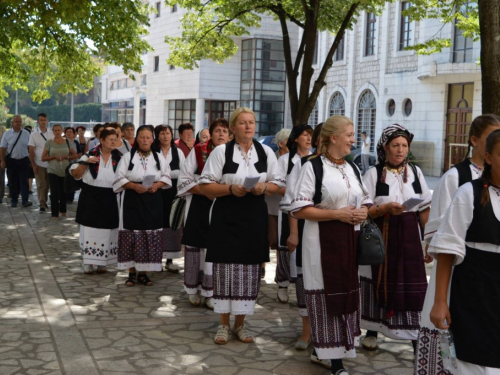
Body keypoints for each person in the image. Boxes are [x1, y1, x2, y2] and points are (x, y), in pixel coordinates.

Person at [414, 114, 500, 375]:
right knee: (474, 363)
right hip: (473, 290)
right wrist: (441, 300)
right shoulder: (467, 190)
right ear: (488, 157)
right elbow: (447, 249)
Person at [290, 115, 371, 375]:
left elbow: (365, 200)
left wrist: (364, 212)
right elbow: (300, 208)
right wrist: (337, 214)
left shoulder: (352, 168)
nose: (353, 139)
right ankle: (334, 360)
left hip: (350, 242)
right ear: (333, 137)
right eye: (349, 134)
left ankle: (332, 351)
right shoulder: (312, 167)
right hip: (322, 244)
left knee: (347, 293)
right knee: (327, 295)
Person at [198, 108, 279, 345]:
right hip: (226, 215)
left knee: (249, 271)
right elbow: (205, 185)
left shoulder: (265, 152)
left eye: (251, 122)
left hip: (254, 217)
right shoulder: (221, 152)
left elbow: (280, 184)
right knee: (225, 268)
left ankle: (240, 324)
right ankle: (223, 324)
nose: (248, 127)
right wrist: (230, 189)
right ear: (233, 127)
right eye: (243, 123)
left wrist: (264, 187)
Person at [359, 124, 432, 353]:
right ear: (385, 148)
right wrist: (384, 209)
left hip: (410, 235)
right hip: (383, 233)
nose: (401, 150)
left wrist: (428, 241)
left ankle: (413, 334)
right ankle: (372, 330)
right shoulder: (373, 174)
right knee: (380, 279)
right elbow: (365, 209)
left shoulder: (416, 174)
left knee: (411, 283)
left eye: (404, 146)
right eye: (395, 145)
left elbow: (424, 209)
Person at [178, 118, 230, 308]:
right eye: (218, 131)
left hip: (224, 202)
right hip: (199, 201)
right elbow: (184, 177)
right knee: (196, 245)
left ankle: (212, 291)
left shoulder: (233, 152)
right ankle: (193, 288)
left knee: (216, 246)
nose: (221, 134)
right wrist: (206, 191)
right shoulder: (199, 150)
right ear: (211, 133)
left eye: (225, 131)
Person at [281, 123, 324, 354]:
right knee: (305, 280)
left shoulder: (347, 167)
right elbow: (292, 201)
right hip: (308, 229)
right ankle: (307, 330)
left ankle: (327, 331)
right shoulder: (303, 164)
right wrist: (294, 233)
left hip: (335, 235)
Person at [113, 125, 171, 287]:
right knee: (131, 234)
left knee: (149, 234)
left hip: (153, 200)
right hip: (132, 199)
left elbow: (167, 177)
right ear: (136, 139)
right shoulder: (127, 157)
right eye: (142, 137)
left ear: (153, 139)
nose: (145, 140)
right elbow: (119, 178)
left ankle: (144, 273)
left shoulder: (159, 157)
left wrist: (157, 185)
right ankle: (131, 273)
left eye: (148, 137)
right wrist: (132, 186)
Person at [70, 128, 123, 274]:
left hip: (111, 198)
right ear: (101, 140)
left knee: (108, 232)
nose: (113, 142)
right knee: (89, 231)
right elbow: (75, 175)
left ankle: (103, 263)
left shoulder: (120, 158)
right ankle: (88, 263)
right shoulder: (90, 155)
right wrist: (85, 163)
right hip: (91, 198)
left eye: (115, 139)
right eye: (110, 139)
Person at [273, 125, 313, 304]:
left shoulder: (314, 159)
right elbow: (278, 185)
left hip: (309, 211)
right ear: (296, 138)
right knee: (287, 245)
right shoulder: (285, 160)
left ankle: (302, 286)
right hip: (289, 209)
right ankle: (282, 284)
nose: (309, 138)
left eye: (311, 135)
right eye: (305, 135)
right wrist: (295, 193)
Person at [153, 125, 186, 272]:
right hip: (157, 191)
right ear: (157, 136)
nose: (166, 136)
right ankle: (155, 259)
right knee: (157, 222)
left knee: (172, 222)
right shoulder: (153, 152)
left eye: (168, 133)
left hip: (173, 191)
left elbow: (184, 172)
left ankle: (170, 260)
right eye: (162, 133)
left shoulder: (178, 152)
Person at [264, 128, 291, 278]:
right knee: (270, 238)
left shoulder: (297, 160)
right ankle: (261, 265)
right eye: (288, 140)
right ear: (281, 143)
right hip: (271, 205)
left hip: (287, 208)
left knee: (283, 242)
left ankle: (281, 274)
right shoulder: (272, 159)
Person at [41, 124, 78, 219]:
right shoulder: (49, 142)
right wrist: (53, 157)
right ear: (53, 132)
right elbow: (43, 158)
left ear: (62, 131)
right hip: (52, 170)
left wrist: (67, 157)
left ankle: (63, 210)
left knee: (63, 191)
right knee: (54, 192)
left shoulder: (67, 141)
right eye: (55, 130)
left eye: (59, 130)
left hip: (64, 170)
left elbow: (75, 155)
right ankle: (54, 214)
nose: (57, 132)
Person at [0, 115, 32, 208]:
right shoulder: (7, 134)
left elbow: (30, 147)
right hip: (12, 161)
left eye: (20, 121)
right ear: (12, 123)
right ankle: (14, 201)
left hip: (24, 160)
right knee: (12, 182)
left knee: (24, 181)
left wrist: (31, 160)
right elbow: (3, 148)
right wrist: (2, 160)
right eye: (16, 121)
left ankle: (25, 201)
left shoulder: (26, 133)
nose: (18, 123)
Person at [28, 113, 53, 211]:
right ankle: (42, 203)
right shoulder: (34, 134)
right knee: (41, 184)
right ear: (38, 121)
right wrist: (33, 164)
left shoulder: (51, 133)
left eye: (44, 120)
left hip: (51, 163)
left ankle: (45, 200)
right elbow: (31, 149)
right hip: (39, 162)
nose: (43, 122)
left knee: (48, 184)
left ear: (47, 121)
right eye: (41, 120)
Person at [0, 124, 7, 203]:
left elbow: (5, 145)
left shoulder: (2, 129)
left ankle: (0, 195)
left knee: (1, 178)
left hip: (0, 157)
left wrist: (3, 159)